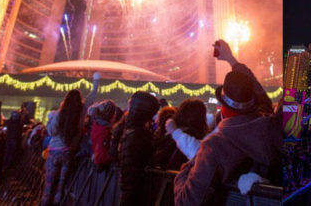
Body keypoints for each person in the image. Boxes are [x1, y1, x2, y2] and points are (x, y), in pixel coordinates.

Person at [174, 40, 281, 206]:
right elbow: (262, 98)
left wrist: (186, 170)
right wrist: (232, 60)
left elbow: (187, 201)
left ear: (222, 108)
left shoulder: (215, 145)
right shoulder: (270, 126)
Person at [41, 72, 100, 206]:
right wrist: (96, 79)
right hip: (69, 153)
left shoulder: (58, 114)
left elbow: (51, 132)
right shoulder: (81, 111)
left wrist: (50, 119)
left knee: (49, 185)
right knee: (62, 186)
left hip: (54, 151)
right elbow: (93, 95)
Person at [116, 91, 160, 206]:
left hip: (135, 195)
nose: (127, 108)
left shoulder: (136, 136)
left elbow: (131, 174)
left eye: (130, 104)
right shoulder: (139, 133)